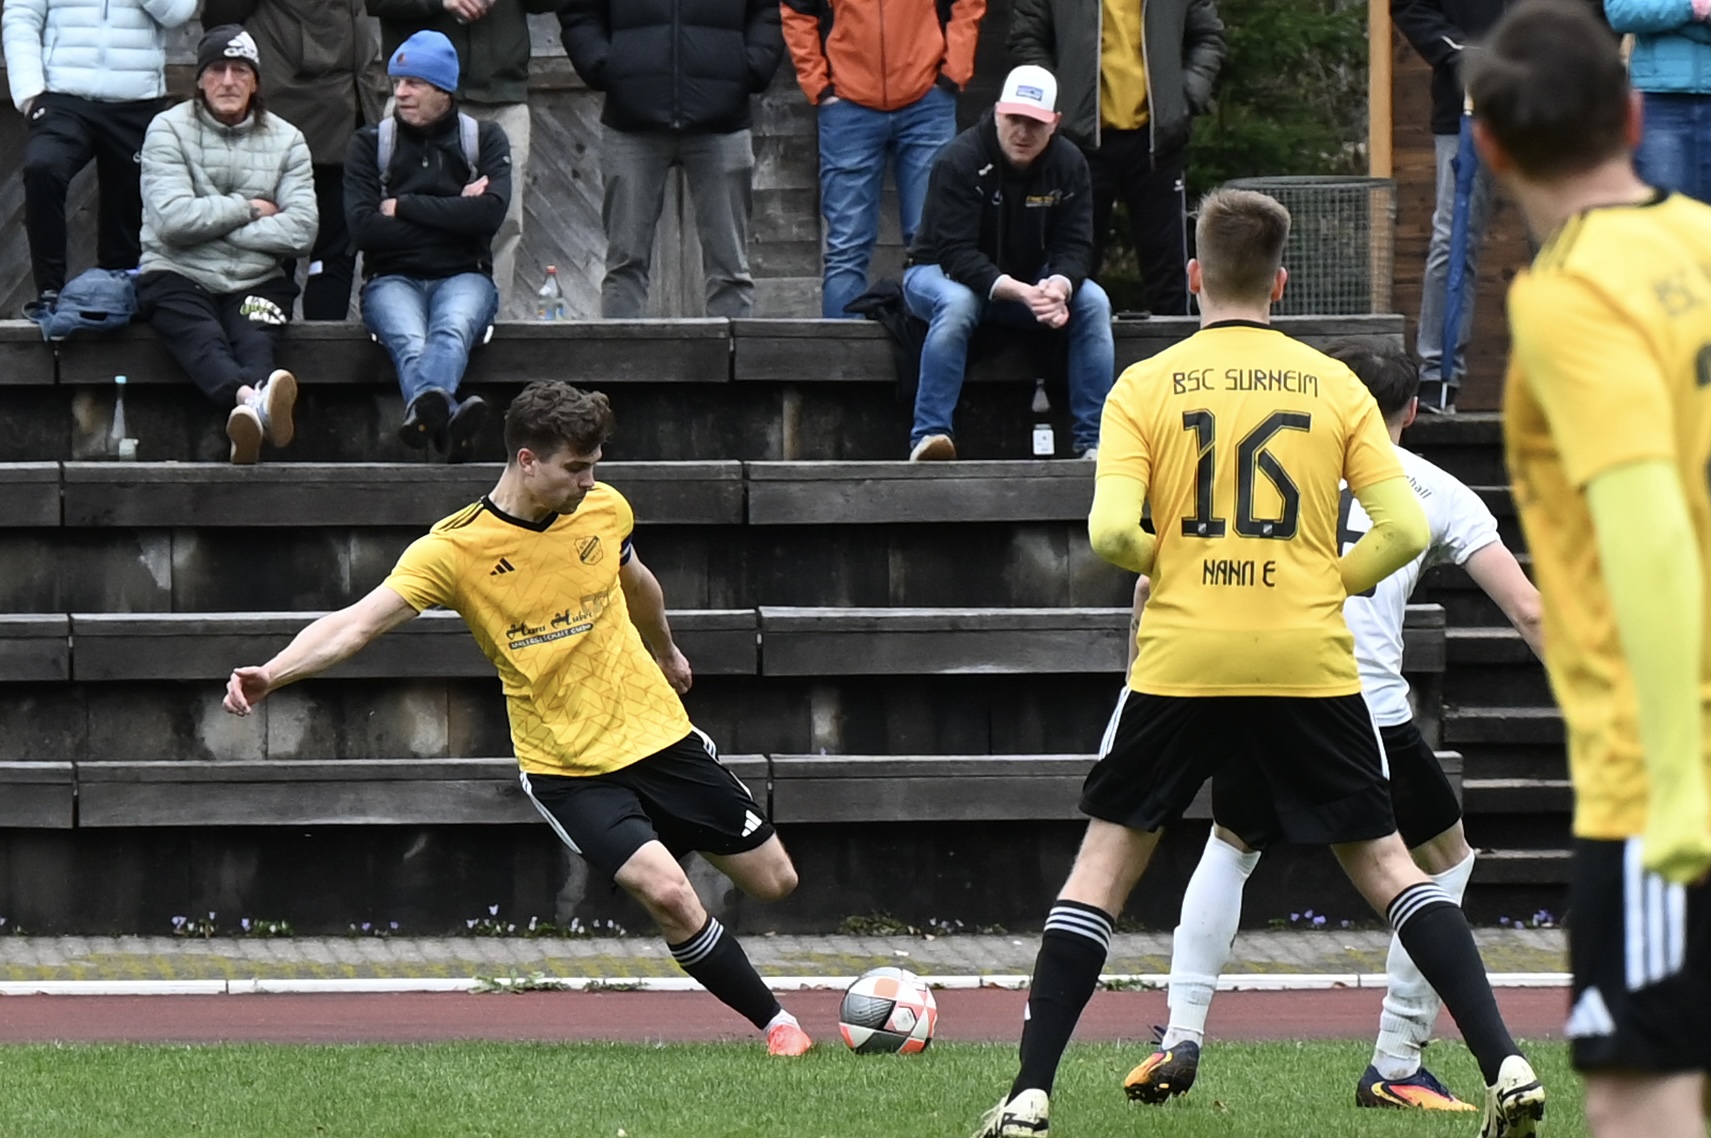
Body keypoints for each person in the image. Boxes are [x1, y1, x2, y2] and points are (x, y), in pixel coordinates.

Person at [974, 187, 1544, 1138]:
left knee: (1103, 869)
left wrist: (1177, 562)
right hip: (1304, 657)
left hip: (1184, 655)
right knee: (1393, 869)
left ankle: (1031, 1092)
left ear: (1195, 275)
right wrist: (1326, 578)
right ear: (1280, 283)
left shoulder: (1143, 385)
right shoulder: (1334, 387)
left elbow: (1110, 534)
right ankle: (1507, 1063)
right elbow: (1403, 530)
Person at [222, 381, 814, 1058]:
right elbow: (355, 624)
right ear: (527, 461)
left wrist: (667, 649)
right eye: (576, 467)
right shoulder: (453, 550)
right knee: (670, 895)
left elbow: (636, 581)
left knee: (776, 882)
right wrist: (273, 673)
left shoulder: (604, 509)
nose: (589, 481)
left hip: (657, 734)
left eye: (594, 465)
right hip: (568, 766)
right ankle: (779, 1025)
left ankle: (669, 830)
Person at [1130, 336, 1545, 1113]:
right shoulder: (1436, 490)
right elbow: (1526, 608)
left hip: (1258, 691)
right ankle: (1396, 1058)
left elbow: (1156, 581)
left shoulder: (1268, 471)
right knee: (1441, 858)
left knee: (1231, 841)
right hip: (1362, 709)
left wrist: (1142, 681)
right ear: (1411, 412)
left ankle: (1179, 1034)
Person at [1468, 4, 1711, 1136]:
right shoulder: (1702, 242)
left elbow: (1647, 530)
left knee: (1637, 1098)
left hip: (1663, 770)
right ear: (1632, 114)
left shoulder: (1569, 298)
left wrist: (1674, 787)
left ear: (1488, 146)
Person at [904, 65, 1113, 462]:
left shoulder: (1070, 164)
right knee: (958, 304)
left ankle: (1096, 442)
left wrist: (1059, 285)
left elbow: (1076, 245)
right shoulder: (960, 159)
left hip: (1029, 284)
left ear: (1054, 123)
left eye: (1035, 123)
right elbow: (955, 253)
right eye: (1015, 118)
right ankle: (930, 434)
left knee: (1094, 302)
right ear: (998, 111)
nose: (1022, 132)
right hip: (936, 271)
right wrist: (1022, 292)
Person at [135, 26, 317, 465]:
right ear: (200, 79)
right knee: (202, 337)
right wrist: (249, 209)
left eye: (240, 71)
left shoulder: (289, 139)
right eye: (217, 69)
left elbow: (301, 231)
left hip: (257, 277)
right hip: (178, 271)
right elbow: (173, 221)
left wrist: (216, 225)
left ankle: (249, 414)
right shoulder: (167, 129)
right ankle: (253, 402)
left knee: (256, 339)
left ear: (256, 81)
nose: (229, 81)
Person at [561, 0, 784, 319]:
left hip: (722, 120)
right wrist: (605, 66)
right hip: (631, 121)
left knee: (730, 269)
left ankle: (731, 353)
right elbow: (579, 10)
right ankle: (620, 352)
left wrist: (750, 66)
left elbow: (769, 9)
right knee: (624, 266)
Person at [346, 30, 510, 462]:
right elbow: (363, 231)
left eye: (414, 83)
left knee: (451, 329)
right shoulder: (369, 143)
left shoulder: (485, 139)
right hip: (390, 278)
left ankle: (428, 419)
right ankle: (449, 423)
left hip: (465, 275)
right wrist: (456, 213)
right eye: (397, 82)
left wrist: (403, 206)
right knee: (411, 341)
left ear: (444, 89)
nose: (400, 92)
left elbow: (489, 217)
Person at [1007, 0, 1225, 315]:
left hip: (1156, 141)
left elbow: (1208, 36)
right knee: (1071, 267)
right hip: (1080, 142)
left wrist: (1185, 97)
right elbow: (1026, 39)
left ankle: (1175, 346)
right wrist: (1060, 101)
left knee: (1169, 272)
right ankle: (1063, 347)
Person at [780, 0, 986, 319]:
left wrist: (953, 72)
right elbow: (796, 9)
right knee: (846, 246)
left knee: (932, 239)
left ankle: (932, 344)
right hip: (848, 106)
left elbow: (967, 4)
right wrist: (818, 86)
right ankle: (842, 351)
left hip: (926, 103)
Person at [3, 0, 196, 311]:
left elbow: (176, 13)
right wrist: (29, 93)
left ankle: (119, 298)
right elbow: (21, 14)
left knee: (127, 215)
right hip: (63, 97)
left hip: (137, 99)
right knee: (43, 167)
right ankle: (50, 291)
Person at [368, 0, 560, 308]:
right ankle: (406, 319)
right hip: (422, 96)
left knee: (504, 221)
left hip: (502, 95)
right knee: (404, 209)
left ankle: (491, 323)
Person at [201, 0, 387, 320]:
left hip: (351, 113)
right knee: (272, 254)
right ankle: (264, 345)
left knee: (334, 256)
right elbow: (219, 17)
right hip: (288, 117)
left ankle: (322, 349)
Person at [1389, 0, 1506, 413]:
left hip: (1547, 102)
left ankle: (1566, 375)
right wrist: (1458, 51)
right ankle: (1438, 375)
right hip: (1466, 103)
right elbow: (1410, 5)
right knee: (1453, 237)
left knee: (1558, 244)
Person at [1606, 0, 1711, 205]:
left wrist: (1673, 22)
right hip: (1660, 103)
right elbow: (1620, 12)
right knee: (1661, 207)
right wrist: (1691, 7)